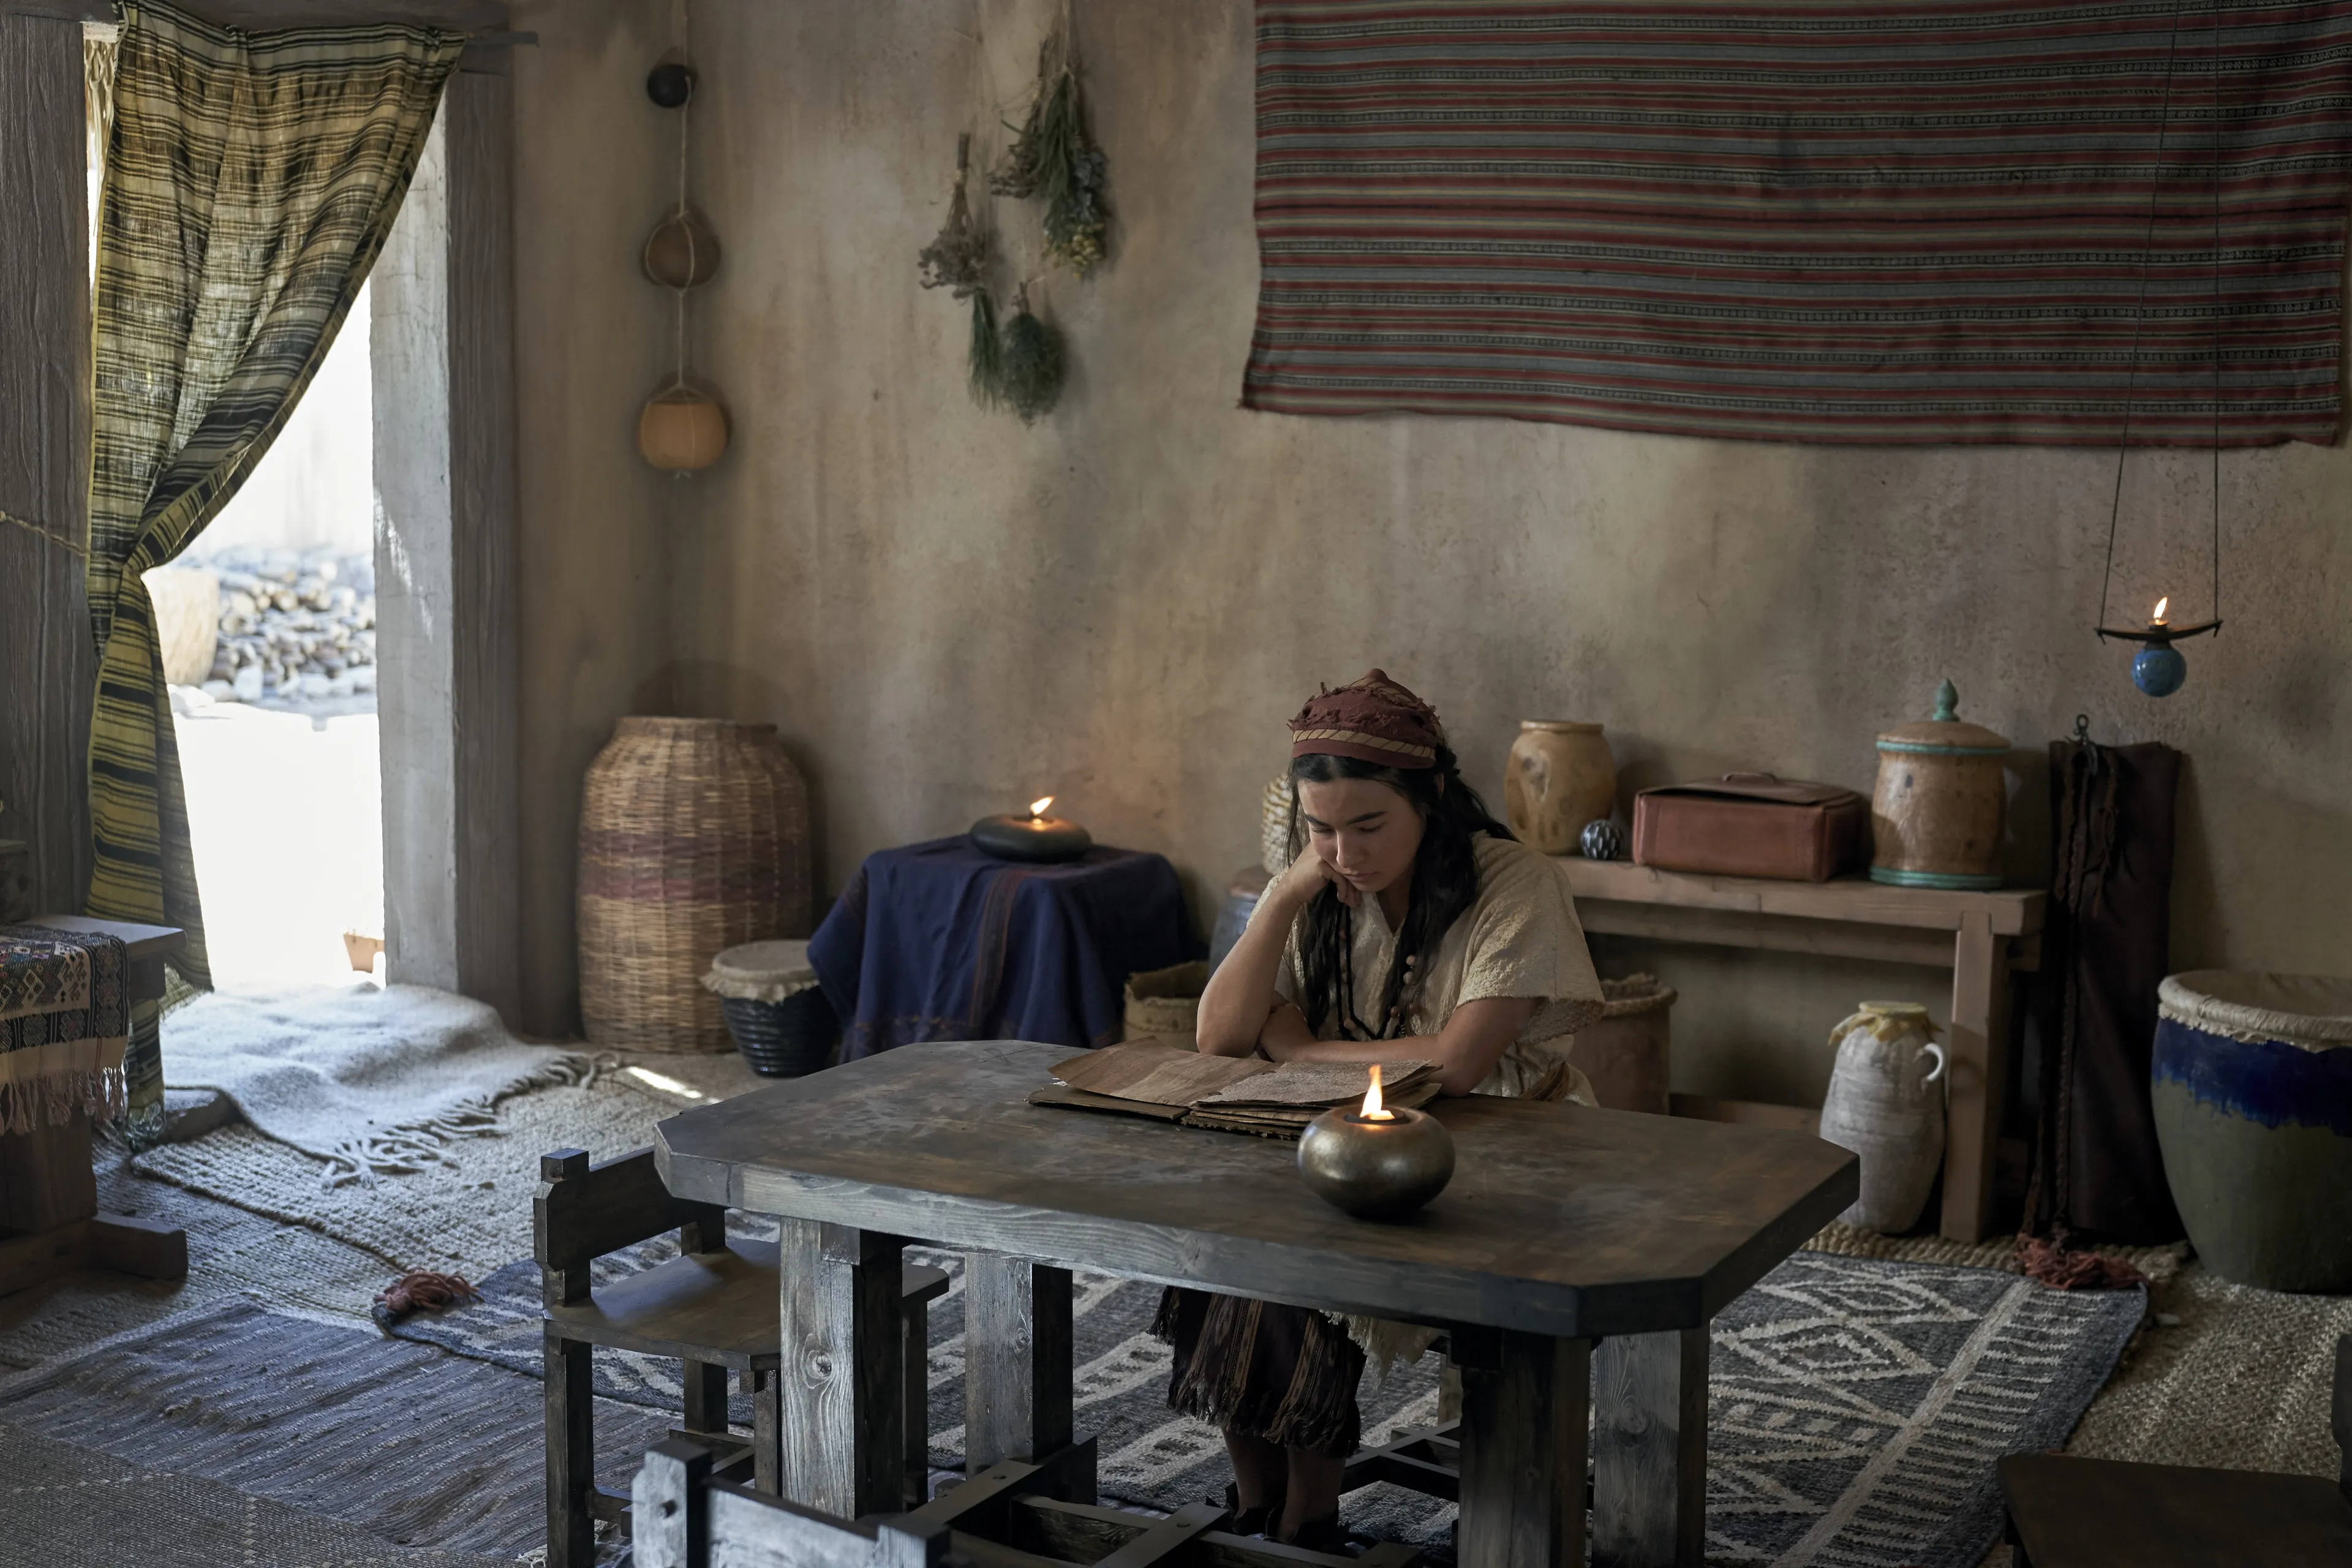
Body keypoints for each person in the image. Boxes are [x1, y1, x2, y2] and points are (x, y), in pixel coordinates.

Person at [1155, 669, 1606, 1549]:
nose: (1345, 853)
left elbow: (1462, 1064)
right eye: (1319, 829)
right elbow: (1218, 1037)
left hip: (1502, 1148)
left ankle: (1306, 1519)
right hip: (1342, 1134)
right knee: (1227, 1249)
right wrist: (1287, 893)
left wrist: (1294, 1049)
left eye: (1368, 826)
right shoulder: (1318, 885)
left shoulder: (1514, 882)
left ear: (1429, 799)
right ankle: (1256, 1508)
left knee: (1312, 1265)